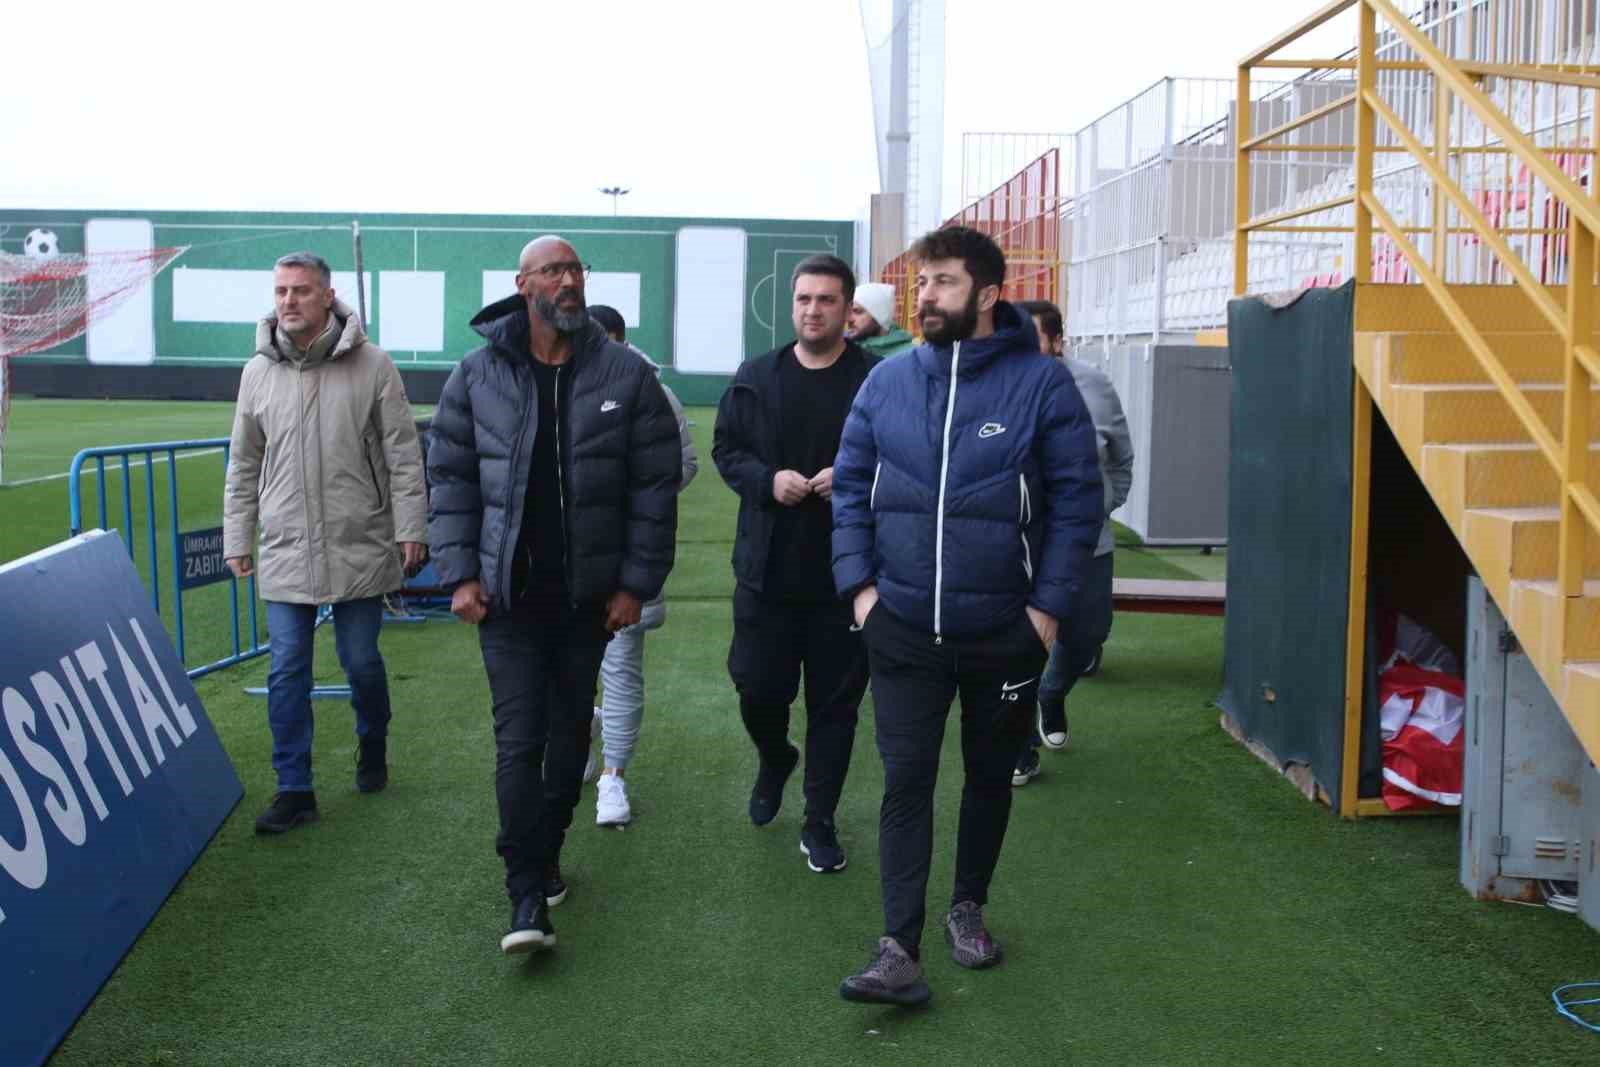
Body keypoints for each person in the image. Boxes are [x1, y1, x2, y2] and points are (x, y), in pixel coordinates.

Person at [830, 227, 1103, 1004]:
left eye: (944, 282)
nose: (926, 295)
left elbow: (1079, 503)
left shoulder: (1042, 385)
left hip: (1005, 631)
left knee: (988, 777)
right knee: (905, 781)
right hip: (902, 625)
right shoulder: (886, 382)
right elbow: (849, 489)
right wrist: (862, 592)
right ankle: (897, 947)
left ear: (986, 294)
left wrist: (1046, 612)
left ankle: (967, 907)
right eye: (922, 282)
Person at [426, 237, 680, 955]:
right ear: (524, 284)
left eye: (575, 270)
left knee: (569, 740)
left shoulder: (626, 373)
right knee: (519, 740)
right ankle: (525, 889)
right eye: (553, 271)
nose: (568, 281)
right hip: (506, 598)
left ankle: (548, 850)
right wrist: (460, 575)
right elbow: (449, 477)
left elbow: (654, 486)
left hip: (586, 601)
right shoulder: (477, 373)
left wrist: (634, 585)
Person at [223, 251, 427, 835]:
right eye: (281, 291)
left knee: (361, 663)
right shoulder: (257, 372)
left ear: (328, 296)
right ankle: (294, 787)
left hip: (357, 540)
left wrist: (411, 528)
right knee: (287, 669)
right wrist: (237, 535)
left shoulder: (374, 365)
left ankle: (373, 741)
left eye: (301, 290)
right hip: (286, 545)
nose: (288, 301)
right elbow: (243, 462)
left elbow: (403, 454)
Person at [713, 253, 878, 874]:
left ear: (847, 308)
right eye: (804, 299)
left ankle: (819, 820)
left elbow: (906, 457)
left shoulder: (876, 378)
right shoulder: (756, 375)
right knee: (757, 690)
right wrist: (766, 480)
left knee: (835, 708)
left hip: (846, 578)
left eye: (826, 300)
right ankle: (775, 756)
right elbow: (727, 448)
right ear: (792, 305)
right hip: (768, 573)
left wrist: (855, 475)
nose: (813, 310)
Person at [581, 304, 699, 827]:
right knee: (567, 666)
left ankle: (614, 776)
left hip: (627, 558)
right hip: (568, 562)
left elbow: (685, 464)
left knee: (621, 661)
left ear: (621, 342)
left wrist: (634, 499)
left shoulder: (655, 394)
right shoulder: (558, 385)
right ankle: (582, 735)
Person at [1012, 300, 1134, 784]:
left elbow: (1120, 458)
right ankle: (1020, 744)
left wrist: (1102, 506)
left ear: (1057, 342)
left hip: (1086, 542)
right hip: (1018, 543)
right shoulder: (998, 387)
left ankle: (1052, 692)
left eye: (1032, 338)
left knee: (1087, 634)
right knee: (1018, 644)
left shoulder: (1094, 386)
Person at [846, 281, 916, 359]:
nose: (849, 319)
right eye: (848, 312)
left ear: (880, 316)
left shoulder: (910, 356)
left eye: (857, 312)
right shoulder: (844, 351)